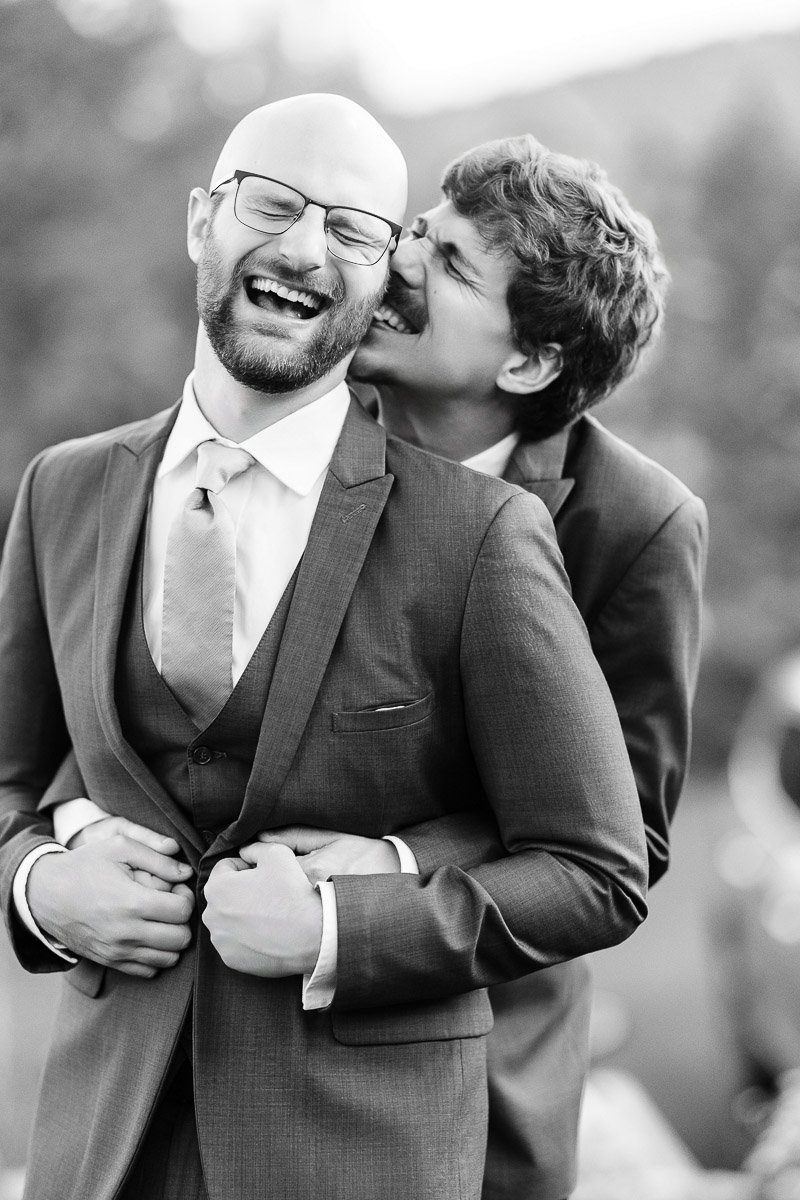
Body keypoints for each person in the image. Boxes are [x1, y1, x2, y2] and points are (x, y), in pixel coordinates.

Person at [0, 98, 647, 1200]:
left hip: (360, 1154)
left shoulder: (479, 534)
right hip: (96, 1149)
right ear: (203, 218)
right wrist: (38, 885)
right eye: (271, 202)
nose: (304, 247)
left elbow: (596, 868)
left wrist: (348, 926)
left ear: (378, 270)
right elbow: (10, 776)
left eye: (350, 228)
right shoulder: (64, 489)